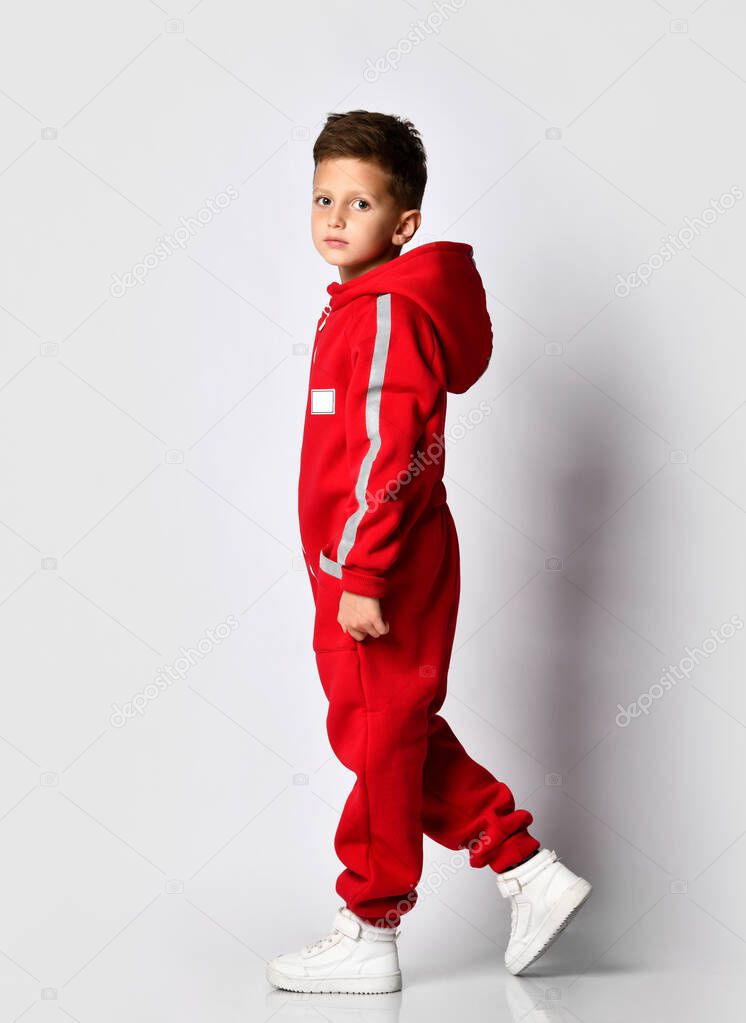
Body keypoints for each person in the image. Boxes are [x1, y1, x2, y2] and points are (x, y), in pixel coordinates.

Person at [266, 110, 592, 995]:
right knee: (387, 730)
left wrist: (362, 572)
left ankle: (371, 925)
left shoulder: (383, 315)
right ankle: (525, 867)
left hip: (380, 565)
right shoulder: (360, 309)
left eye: (360, 202)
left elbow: (386, 454)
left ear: (402, 224)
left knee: (377, 735)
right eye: (323, 196)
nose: (335, 216)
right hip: (367, 561)